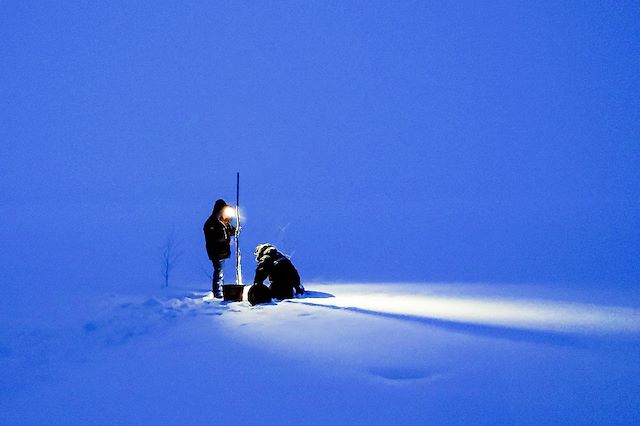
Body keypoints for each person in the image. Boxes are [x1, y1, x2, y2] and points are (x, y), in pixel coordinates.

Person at [203, 199, 236, 298]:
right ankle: (217, 291)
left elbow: (229, 231)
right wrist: (226, 239)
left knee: (220, 270)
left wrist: (234, 230)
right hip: (216, 251)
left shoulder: (223, 221)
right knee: (218, 271)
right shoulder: (211, 223)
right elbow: (214, 238)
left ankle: (220, 289)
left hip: (222, 251)